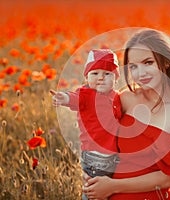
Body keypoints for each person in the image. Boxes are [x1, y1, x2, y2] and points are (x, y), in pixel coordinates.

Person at [82, 29, 170, 200]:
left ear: (166, 61)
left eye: (148, 62)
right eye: (133, 67)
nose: (140, 73)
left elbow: (168, 179)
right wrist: (90, 173)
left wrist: (112, 186)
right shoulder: (125, 99)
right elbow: (99, 138)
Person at [50, 49, 122, 200]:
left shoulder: (116, 97)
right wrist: (63, 98)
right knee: (94, 193)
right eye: (95, 74)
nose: (101, 78)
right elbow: (73, 98)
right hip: (95, 157)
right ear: (87, 77)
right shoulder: (86, 95)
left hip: (114, 156)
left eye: (107, 74)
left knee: (110, 193)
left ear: (116, 79)